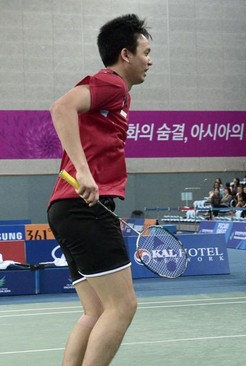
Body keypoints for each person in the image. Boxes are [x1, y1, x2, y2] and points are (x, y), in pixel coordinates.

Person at [46, 14, 151, 366]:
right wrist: (84, 170)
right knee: (123, 306)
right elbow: (61, 108)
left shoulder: (118, 95)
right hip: (82, 204)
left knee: (95, 311)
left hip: (68, 207)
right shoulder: (113, 84)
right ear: (126, 54)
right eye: (146, 52)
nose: (149, 61)